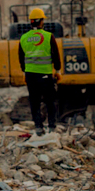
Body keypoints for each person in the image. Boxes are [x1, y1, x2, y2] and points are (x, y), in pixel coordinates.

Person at [18, 8, 61, 136]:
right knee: (50, 101)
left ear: (31, 22)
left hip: (30, 75)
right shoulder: (48, 36)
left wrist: (24, 72)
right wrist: (57, 70)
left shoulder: (24, 38)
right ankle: (52, 126)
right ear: (41, 21)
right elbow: (56, 55)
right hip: (45, 74)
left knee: (34, 101)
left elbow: (21, 58)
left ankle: (38, 127)